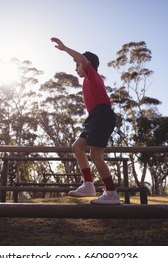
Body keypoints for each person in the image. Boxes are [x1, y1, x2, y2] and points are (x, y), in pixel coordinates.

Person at [51, 37, 120, 204]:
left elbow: (82, 59)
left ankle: (111, 194)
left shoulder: (92, 75)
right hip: (94, 117)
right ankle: (88, 184)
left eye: (77, 65)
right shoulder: (88, 81)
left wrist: (65, 48)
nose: (76, 68)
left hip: (102, 115)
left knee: (96, 155)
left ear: (86, 64)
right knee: (77, 147)